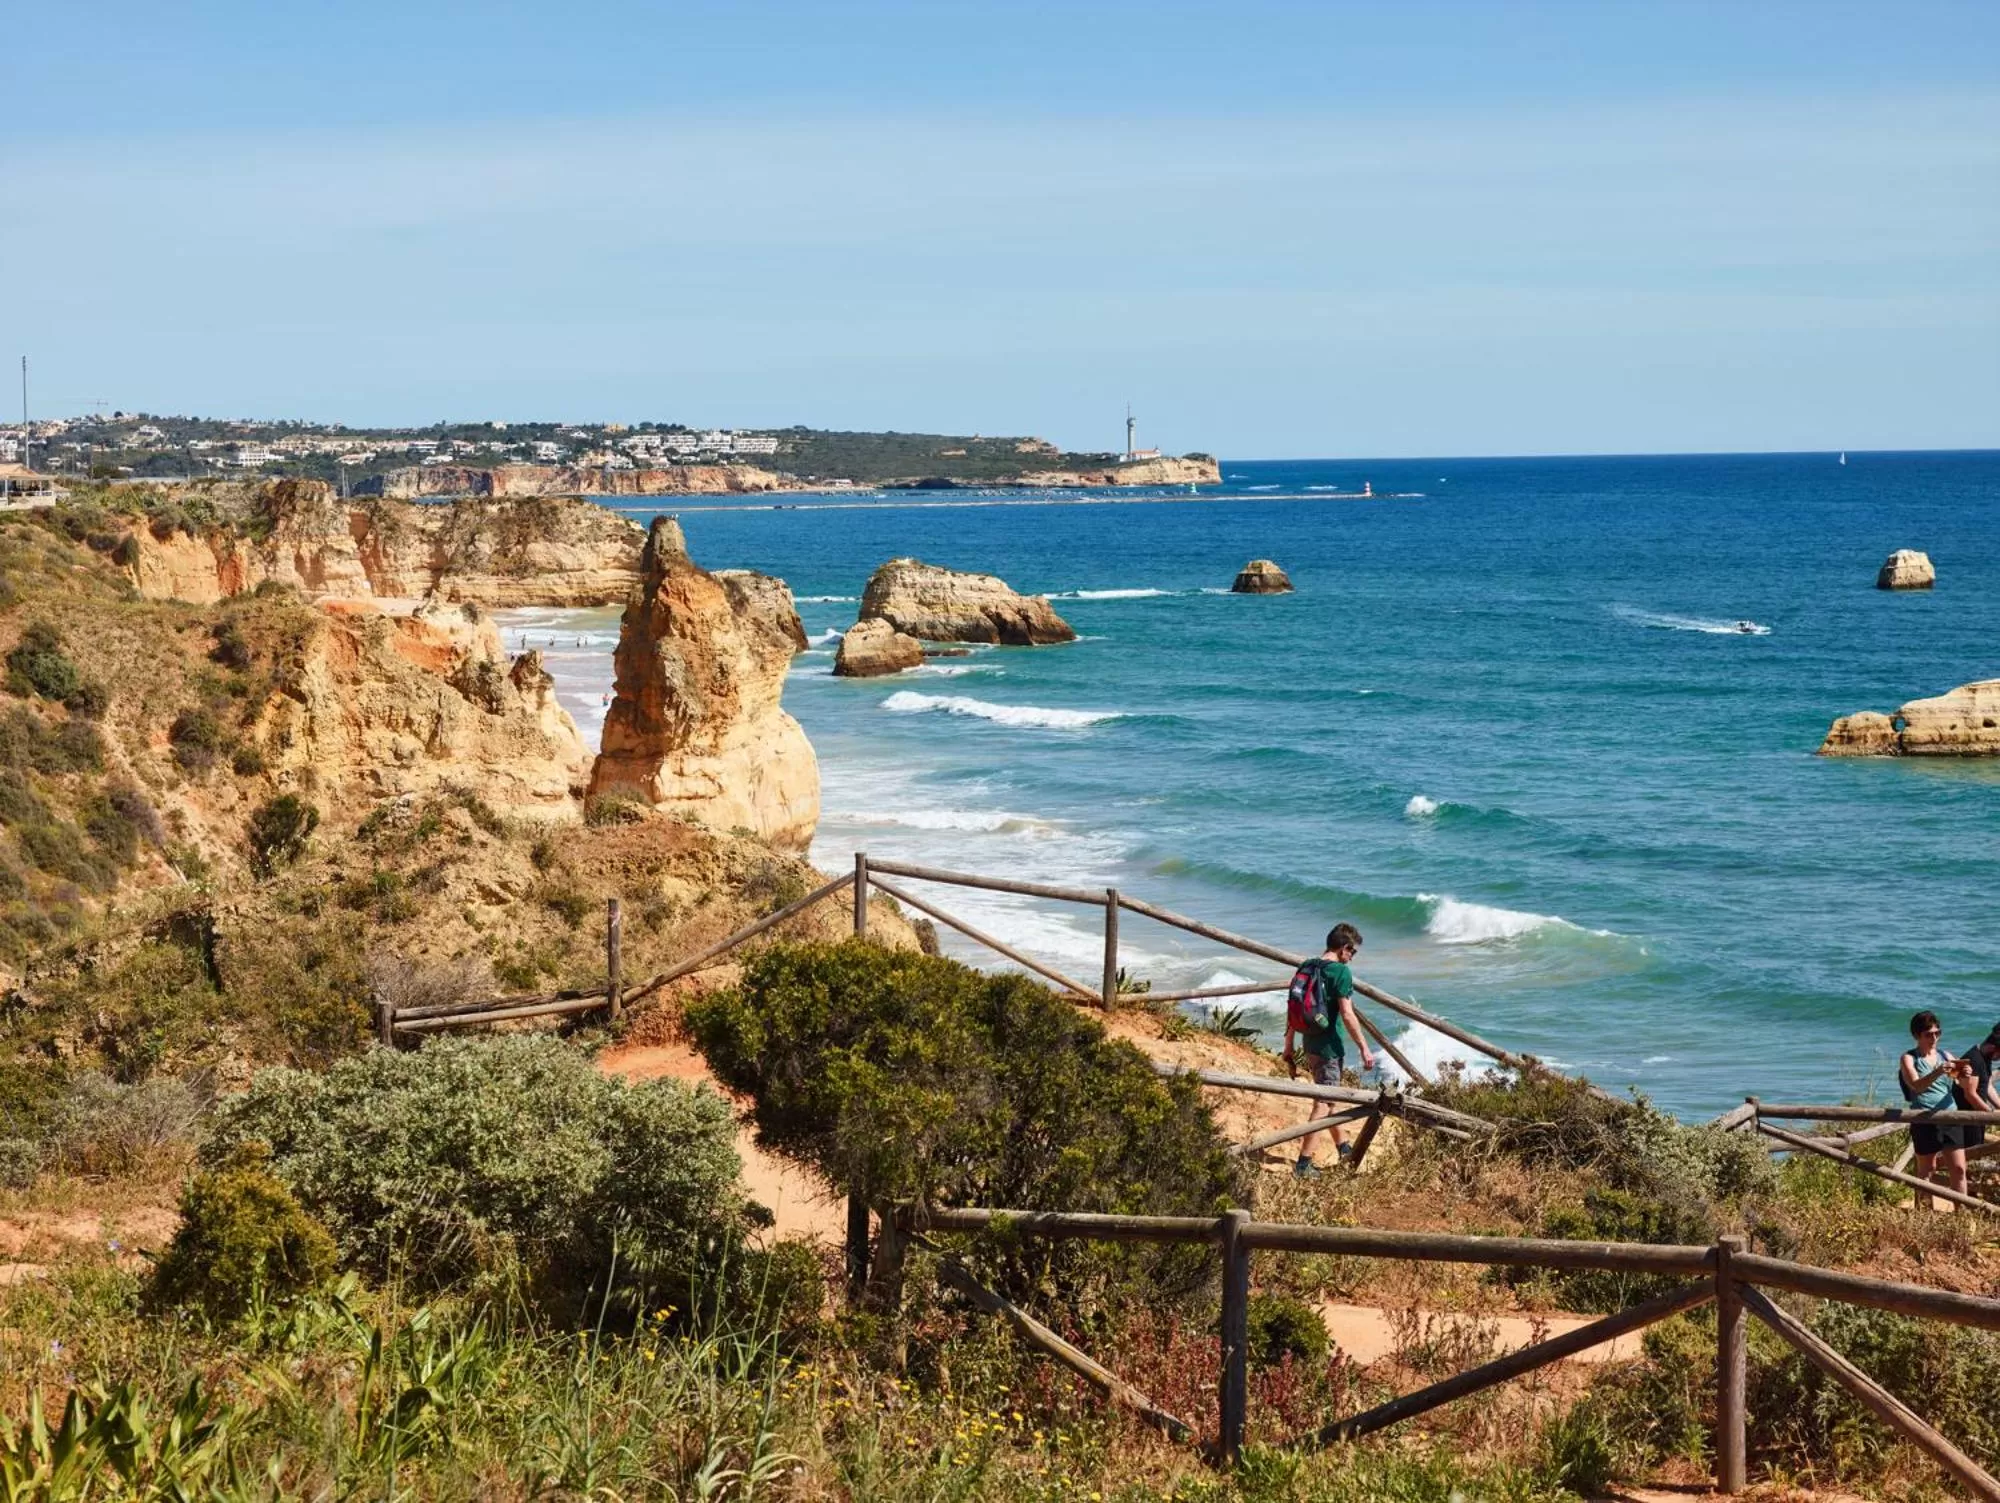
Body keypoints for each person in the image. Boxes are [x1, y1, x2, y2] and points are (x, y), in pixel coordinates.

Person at [1283, 923, 1376, 1176]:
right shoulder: (1340, 972)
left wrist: (1288, 1046)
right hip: (1329, 1048)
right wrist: (1365, 1048)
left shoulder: (1307, 966)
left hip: (1309, 1043)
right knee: (1324, 1102)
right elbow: (1347, 1014)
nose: (1352, 957)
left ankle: (1344, 1149)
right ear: (1344, 948)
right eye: (1353, 952)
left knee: (1329, 1095)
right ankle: (1303, 1164)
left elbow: (1293, 1008)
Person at [1900, 1011, 1970, 1210]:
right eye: (1928, 1034)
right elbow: (1916, 1085)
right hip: (1924, 1117)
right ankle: (1924, 1216)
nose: (1934, 1038)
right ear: (1917, 1036)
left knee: (1958, 1169)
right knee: (1927, 1170)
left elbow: (1963, 1085)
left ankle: (1962, 1215)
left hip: (1950, 1115)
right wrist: (1938, 1071)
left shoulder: (1945, 1055)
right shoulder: (1909, 1058)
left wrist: (1965, 1074)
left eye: (1937, 1033)